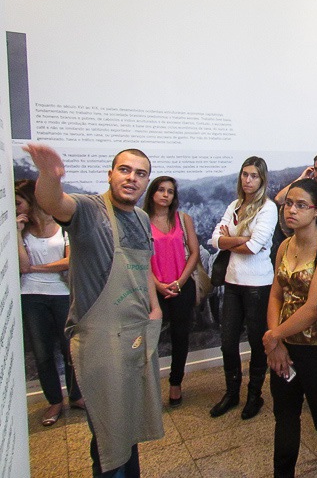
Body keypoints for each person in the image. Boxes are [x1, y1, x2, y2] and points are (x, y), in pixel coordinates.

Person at [24, 144, 163, 477]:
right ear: (110, 174)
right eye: (125, 170)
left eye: (140, 173)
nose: (132, 178)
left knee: (129, 423)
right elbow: (53, 202)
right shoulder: (89, 210)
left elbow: (144, 266)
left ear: (146, 182)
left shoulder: (142, 218)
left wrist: (155, 307)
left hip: (136, 332)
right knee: (108, 434)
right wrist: (49, 176)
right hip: (101, 340)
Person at [262, 179, 317, 478]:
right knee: (285, 416)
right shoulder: (285, 245)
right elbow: (276, 293)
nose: (291, 210)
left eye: (301, 205)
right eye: (289, 204)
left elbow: (314, 307)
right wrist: (276, 343)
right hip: (284, 346)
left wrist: (274, 336)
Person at [210, 156, 278, 420]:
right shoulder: (235, 205)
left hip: (258, 284)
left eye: (254, 176)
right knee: (227, 343)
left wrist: (231, 239)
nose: (248, 180)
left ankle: (254, 395)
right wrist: (238, 239)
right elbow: (215, 240)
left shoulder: (268, 208)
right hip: (233, 282)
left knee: (257, 343)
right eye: (245, 174)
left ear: (262, 179)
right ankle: (232, 393)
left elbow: (253, 247)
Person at [15, 179, 84, 427]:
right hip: (31, 295)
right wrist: (16, 233)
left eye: (19, 202)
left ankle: (76, 395)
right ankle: (54, 401)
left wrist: (35, 268)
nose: (16, 207)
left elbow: (68, 261)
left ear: (31, 200)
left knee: (70, 348)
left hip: (62, 293)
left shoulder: (62, 227)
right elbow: (22, 264)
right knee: (42, 352)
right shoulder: (22, 231)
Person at [143, 176, 200, 407]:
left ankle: (176, 383)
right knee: (148, 340)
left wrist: (180, 282)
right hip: (153, 288)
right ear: (152, 193)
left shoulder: (183, 219)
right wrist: (157, 284)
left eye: (170, 191)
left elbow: (194, 253)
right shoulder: (141, 220)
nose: (165, 195)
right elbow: (139, 258)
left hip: (181, 287)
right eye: (161, 190)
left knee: (180, 336)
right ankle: (147, 386)